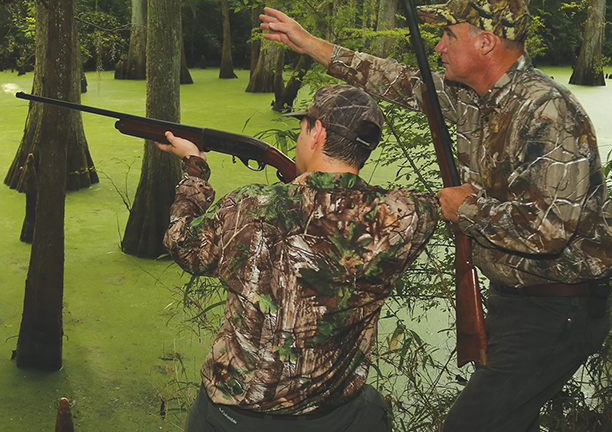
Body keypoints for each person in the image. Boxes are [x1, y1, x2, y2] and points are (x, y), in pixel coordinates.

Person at [260, 0, 612, 432]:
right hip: (517, 302)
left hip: (559, 309)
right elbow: (400, 81)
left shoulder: (546, 113)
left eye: (449, 34)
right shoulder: (476, 97)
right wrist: (311, 44)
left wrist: (463, 209)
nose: (438, 47)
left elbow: (549, 231)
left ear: (486, 42)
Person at [158, 85, 438, 431]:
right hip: (337, 417)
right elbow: (449, 204)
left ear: (317, 132)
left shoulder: (252, 205)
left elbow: (181, 242)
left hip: (235, 417)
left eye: (304, 126)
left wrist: (194, 169)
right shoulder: (405, 215)